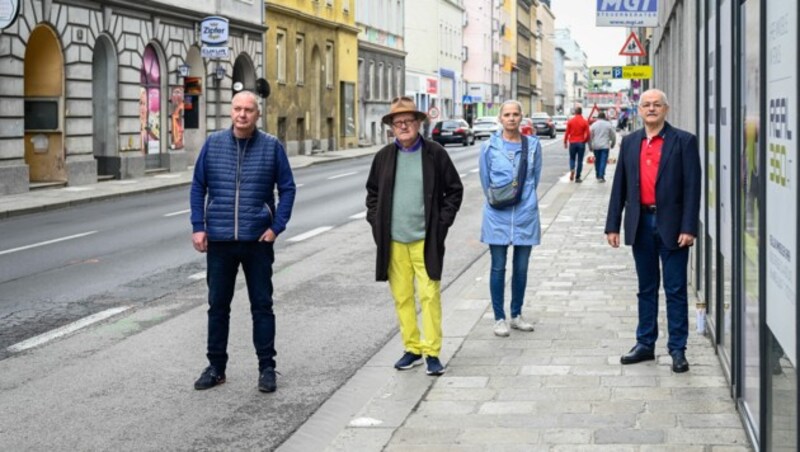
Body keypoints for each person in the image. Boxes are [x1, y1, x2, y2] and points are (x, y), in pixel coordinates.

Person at [190, 91, 296, 392]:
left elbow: (287, 189)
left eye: (249, 110)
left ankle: (267, 368)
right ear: (231, 111)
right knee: (217, 306)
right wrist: (199, 226)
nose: (242, 114)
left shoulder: (272, 147)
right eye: (237, 108)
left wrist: (276, 227)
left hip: (257, 241)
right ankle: (216, 367)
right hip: (220, 240)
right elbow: (198, 187)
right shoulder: (213, 145)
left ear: (257, 115)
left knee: (262, 305)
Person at [604, 89, 701, 373]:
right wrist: (613, 225)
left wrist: (689, 227)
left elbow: (692, 189)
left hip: (672, 226)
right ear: (639, 110)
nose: (651, 109)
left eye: (657, 105)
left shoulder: (684, 141)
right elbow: (619, 185)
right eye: (646, 105)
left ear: (666, 109)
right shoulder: (630, 142)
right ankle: (645, 343)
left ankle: (677, 350)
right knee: (646, 288)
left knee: (675, 289)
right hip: (641, 223)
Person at [366, 96, 463, 376]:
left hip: (425, 240)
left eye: (408, 121)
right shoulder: (384, 157)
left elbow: (454, 191)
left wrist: (441, 224)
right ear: (392, 128)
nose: (404, 126)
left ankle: (432, 351)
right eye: (398, 123)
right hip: (394, 241)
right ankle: (412, 349)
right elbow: (372, 194)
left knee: (430, 295)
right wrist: (376, 222)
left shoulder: (435, 154)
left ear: (419, 123)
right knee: (402, 297)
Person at [479, 100, 543, 337]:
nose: (512, 118)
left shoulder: (534, 146)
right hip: (497, 215)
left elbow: (534, 179)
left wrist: (524, 201)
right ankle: (499, 318)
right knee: (498, 267)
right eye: (507, 114)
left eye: (516, 114)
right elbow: (486, 182)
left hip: (525, 214)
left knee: (522, 268)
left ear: (522, 117)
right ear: (500, 118)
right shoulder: (489, 147)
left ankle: (516, 314)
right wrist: (501, 199)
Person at [563, 106, 590, 182]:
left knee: (572, 158)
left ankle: (572, 169)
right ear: (581, 112)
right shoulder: (584, 121)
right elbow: (588, 134)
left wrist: (565, 142)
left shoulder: (571, 121)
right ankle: (578, 177)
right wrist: (585, 140)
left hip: (572, 142)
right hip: (581, 142)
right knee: (580, 160)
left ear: (575, 112)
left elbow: (567, 133)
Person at [589, 111, 617, 182]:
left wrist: (590, 146)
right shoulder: (608, 125)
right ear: (604, 117)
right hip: (605, 146)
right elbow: (613, 135)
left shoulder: (594, 125)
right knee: (603, 161)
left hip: (596, 146)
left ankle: (598, 174)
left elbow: (590, 136)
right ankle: (601, 176)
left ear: (598, 117)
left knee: (597, 160)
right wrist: (613, 143)